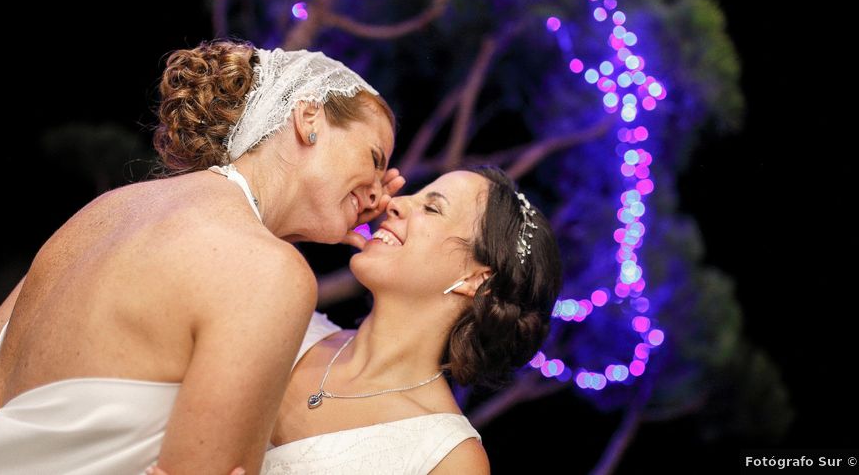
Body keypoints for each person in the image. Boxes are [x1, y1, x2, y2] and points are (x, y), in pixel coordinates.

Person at [0, 40, 403, 474]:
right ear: (309, 118)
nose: (381, 193)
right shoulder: (268, 272)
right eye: (376, 159)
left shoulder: (107, 209)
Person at [153, 166, 563, 474]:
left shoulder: (448, 457)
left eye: (432, 207)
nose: (395, 203)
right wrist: (298, 224)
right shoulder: (289, 323)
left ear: (476, 279)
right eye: (414, 195)